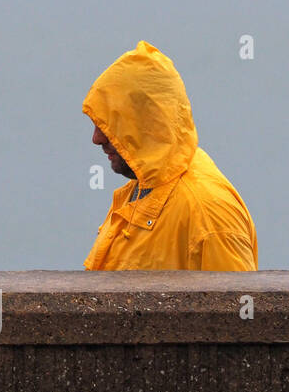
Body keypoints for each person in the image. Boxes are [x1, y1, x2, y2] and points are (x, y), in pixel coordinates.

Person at [83, 41, 258, 271]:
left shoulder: (208, 213)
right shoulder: (140, 190)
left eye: (107, 126)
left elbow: (235, 305)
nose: (96, 139)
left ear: (146, 122)